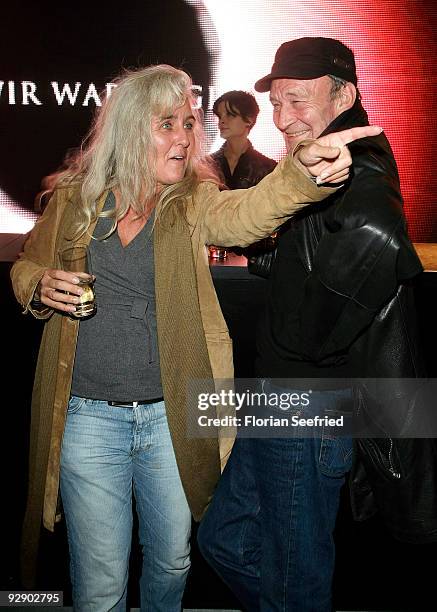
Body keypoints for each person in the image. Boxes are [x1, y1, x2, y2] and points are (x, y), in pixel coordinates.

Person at [11, 63, 378, 611]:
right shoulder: (74, 200)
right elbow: (27, 263)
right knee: (102, 576)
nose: (185, 137)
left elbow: (246, 214)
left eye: (188, 123)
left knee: (171, 560)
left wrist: (298, 175)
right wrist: (39, 284)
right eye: (168, 124)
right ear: (132, 129)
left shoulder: (190, 201)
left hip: (171, 419)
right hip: (88, 419)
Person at [197, 38, 424, 611]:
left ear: (343, 93)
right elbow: (308, 247)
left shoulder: (358, 163)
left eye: (297, 101)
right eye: (276, 102)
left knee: (293, 578)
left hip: (305, 401)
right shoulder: (319, 160)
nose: (282, 117)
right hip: (278, 396)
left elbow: (379, 242)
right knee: (223, 540)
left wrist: (304, 343)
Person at [211, 90, 276, 189]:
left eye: (230, 115)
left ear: (249, 119)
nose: (222, 121)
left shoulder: (268, 168)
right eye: (220, 116)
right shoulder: (206, 165)